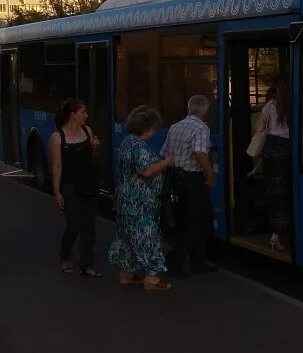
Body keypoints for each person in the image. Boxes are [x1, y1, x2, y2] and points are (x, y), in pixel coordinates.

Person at [108, 106, 174, 291]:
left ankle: (126, 274)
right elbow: (147, 171)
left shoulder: (127, 142)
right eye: (153, 128)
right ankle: (152, 279)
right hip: (139, 202)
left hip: (125, 200)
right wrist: (166, 162)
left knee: (127, 237)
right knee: (146, 237)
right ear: (146, 128)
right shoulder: (138, 146)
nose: (155, 131)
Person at [160, 95, 215, 274]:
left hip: (176, 178)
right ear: (205, 111)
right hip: (193, 179)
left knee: (185, 220)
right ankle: (175, 261)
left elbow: (165, 152)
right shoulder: (201, 128)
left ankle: (198, 261)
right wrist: (209, 173)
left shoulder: (175, 126)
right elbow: (200, 153)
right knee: (199, 221)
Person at [49, 98, 101, 278]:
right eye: (83, 112)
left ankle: (86, 265)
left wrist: (94, 148)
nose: (86, 115)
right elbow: (57, 166)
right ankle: (65, 255)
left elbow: (90, 159)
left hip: (88, 183)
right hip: (70, 186)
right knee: (74, 225)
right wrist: (56, 192)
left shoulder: (87, 131)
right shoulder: (57, 138)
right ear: (73, 115)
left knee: (89, 226)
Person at [261, 75, 291, 252]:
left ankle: (275, 233)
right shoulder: (291, 106)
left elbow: (258, 127)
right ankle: (278, 234)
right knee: (285, 195)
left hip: (270, 151)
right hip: (285, 151)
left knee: (274, 195)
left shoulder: (270, 105)